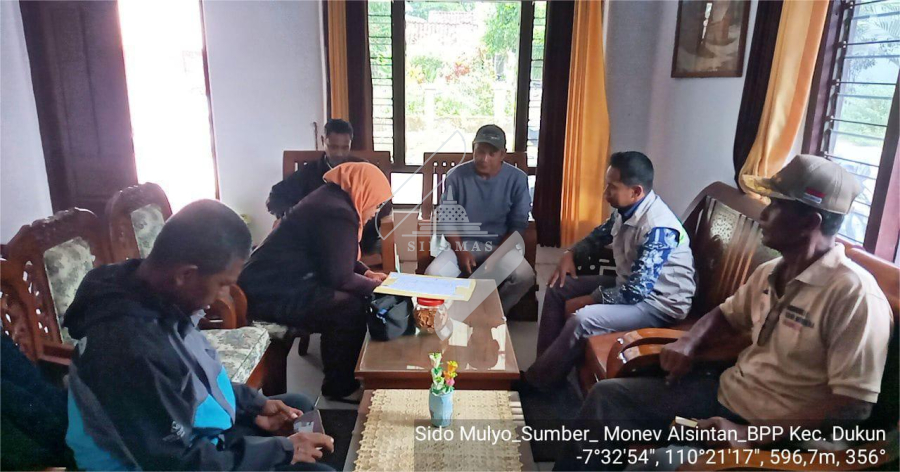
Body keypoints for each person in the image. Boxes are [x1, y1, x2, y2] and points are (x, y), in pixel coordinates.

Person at [555, 155, 894, 471]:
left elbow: (852, 404)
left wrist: (751, 435)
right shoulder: (772, 271)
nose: (764, 214)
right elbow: (724, 314)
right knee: (608, 399)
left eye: (776, 205)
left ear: (810, 222)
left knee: (660, 462)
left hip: (779, 437)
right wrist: (689, 343)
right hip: (725, 395)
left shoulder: (854, 295)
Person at [63, 200, 334, 471]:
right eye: (222, 284)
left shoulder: (149, 292)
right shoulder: (129, 349)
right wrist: (282, 450)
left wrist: (254, 405)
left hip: (193, 437)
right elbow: (180, 463)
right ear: (186, 275)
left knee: (297, 408)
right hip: (163, 464)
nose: (222, 296)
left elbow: (194, 379)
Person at [526, 151, 696, 388]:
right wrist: (570, 254)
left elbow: (636, 291)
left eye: (612, 188)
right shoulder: (627, 211)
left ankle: (536, 383)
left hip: (658, 304)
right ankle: (546, 368)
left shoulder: (659, 229)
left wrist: (591, 299)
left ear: (636, 191)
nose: (605, 194)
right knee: (558, 286)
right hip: (628, 285)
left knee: (582, 319)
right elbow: (599, 236)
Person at [240, 162, 393, 400]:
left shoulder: (333, 199)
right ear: (363, 190)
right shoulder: (337, 212)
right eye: (377, 203)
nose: (375, 211)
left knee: (356, 298)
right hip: (269, 293)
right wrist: (381, 287)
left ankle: (346, 376)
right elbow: (339, 277)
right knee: (349, 307)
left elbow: (336, 255)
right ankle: (339, 387)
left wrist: (366, 274)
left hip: (280, 283)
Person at [424, 124, 536, 314]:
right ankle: (450, 315)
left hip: (501, 245)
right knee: (433, 274)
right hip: (462, 244)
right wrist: (461, 252)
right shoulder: (455, 176)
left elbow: (518, 225)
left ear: (502, 154)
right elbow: (447, 220)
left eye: (492, 153)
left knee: (524, 276)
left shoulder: (517, 179)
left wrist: (497, 257)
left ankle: (491, 313)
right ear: (473, 149)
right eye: (480, 151)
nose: (485, 159)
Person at [267, 118, 386, 256]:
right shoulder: (308, 173)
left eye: (345, 147)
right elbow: (276, 197)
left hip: (356, 238)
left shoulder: (361, 169)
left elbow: (384, 203)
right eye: (333, 147)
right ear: (323, 141)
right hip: (316, 239)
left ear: (351, 143)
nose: (339, 153)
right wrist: (296, 216)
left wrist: (359, 220)